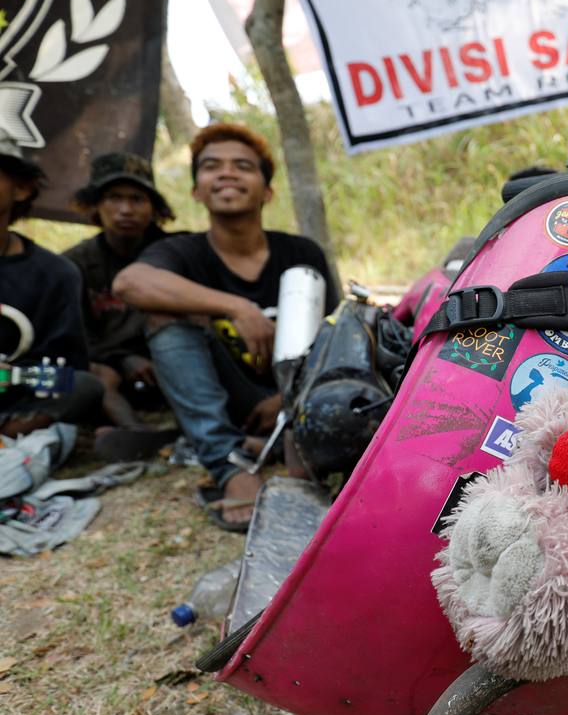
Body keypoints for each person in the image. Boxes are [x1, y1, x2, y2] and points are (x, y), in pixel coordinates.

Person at [113, 123, 338, 530]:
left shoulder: (300, 251)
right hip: (228, 396)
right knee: (164, 316)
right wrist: (236, 307)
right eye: (212, 166)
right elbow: (129, 283)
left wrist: (288, 396)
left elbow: (336, 333)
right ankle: (230, 462)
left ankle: (288, 442)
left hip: (296, 397)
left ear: (267, 192)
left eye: (243, 166)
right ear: (197, 191)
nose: (227, 174)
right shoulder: (180, 251)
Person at [63, 152, 180, 459]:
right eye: (114, 198)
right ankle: (137, 434)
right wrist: (122, 358)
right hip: (113, 371)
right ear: (96, 206)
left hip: (173, 361)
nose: (125, 209)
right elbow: (75, 335)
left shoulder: (176, 251)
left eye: (137, 199)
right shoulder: (75, 264)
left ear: (153, 207)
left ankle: (194, 426)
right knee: (96, 374)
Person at [0, 140, 104, 437]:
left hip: (15, 405)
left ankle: (9, 436)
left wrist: (14, 377)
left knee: (84, 386)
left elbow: (67, 374)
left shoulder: (56, 273)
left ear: (21, 189)